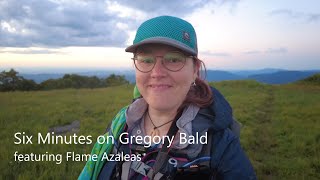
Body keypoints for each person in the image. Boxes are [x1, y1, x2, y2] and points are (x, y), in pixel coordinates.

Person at [79, 15, 256, 180]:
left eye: (173, 59)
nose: (157, 73)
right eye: (146, 60)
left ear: (194, 70)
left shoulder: (220, 146)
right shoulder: (121, 124)